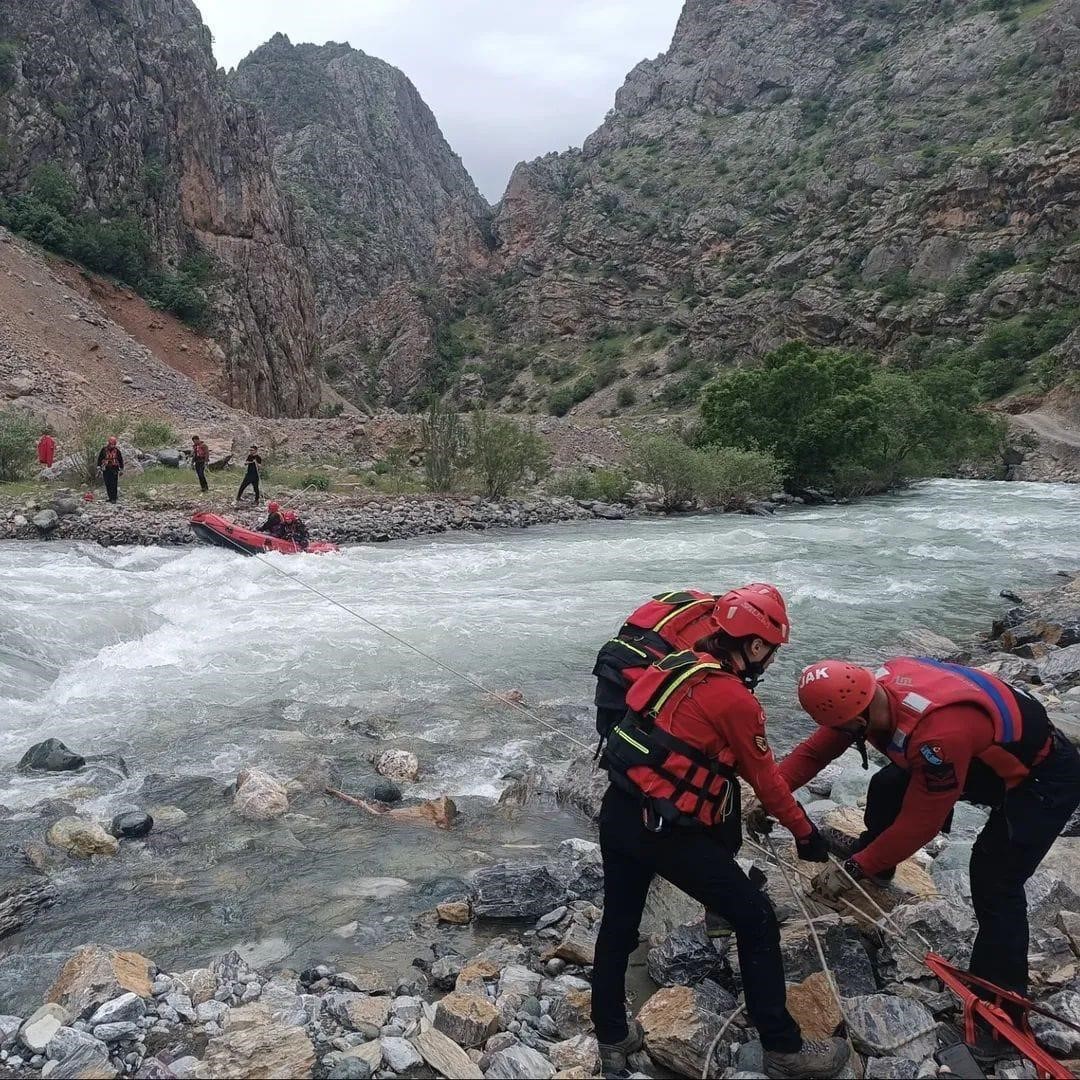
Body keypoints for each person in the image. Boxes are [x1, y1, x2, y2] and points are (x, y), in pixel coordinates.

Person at [590, 586, 847, 1079]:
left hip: (619, 810)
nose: (771, 660)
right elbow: (766, 781)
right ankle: (784, 1050)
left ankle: (612, 1036)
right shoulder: (734, 700)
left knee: (619, 923)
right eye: (772, 650)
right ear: (755, 645)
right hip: (664, 830)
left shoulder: (676, 664)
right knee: (756, 918)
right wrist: (805, 833)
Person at [785, 656, 1080, 1052]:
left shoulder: (939, 734)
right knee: (888, 785)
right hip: (985, 755)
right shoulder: (870, 693)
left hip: (1041, 779)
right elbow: (812, 754)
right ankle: (880, 868)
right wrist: (769, 793)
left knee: (996, 882)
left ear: (858, 716)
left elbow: (921, 824)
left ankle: (1002, 1009)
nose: (837, 735)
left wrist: (852, 869)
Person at [96, 436, 124, 503]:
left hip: (114, 468)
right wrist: (99, 466)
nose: (112, 445)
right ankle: (110, 497)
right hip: (106, 468)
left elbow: (120, 460)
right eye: (111, 444)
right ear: (109, 443)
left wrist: (121, 469)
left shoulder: (117, 451)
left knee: (114, 483)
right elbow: (100, 458)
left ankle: (114, 498)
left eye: (114, 444)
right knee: (107, 483)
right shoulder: (104, 450)